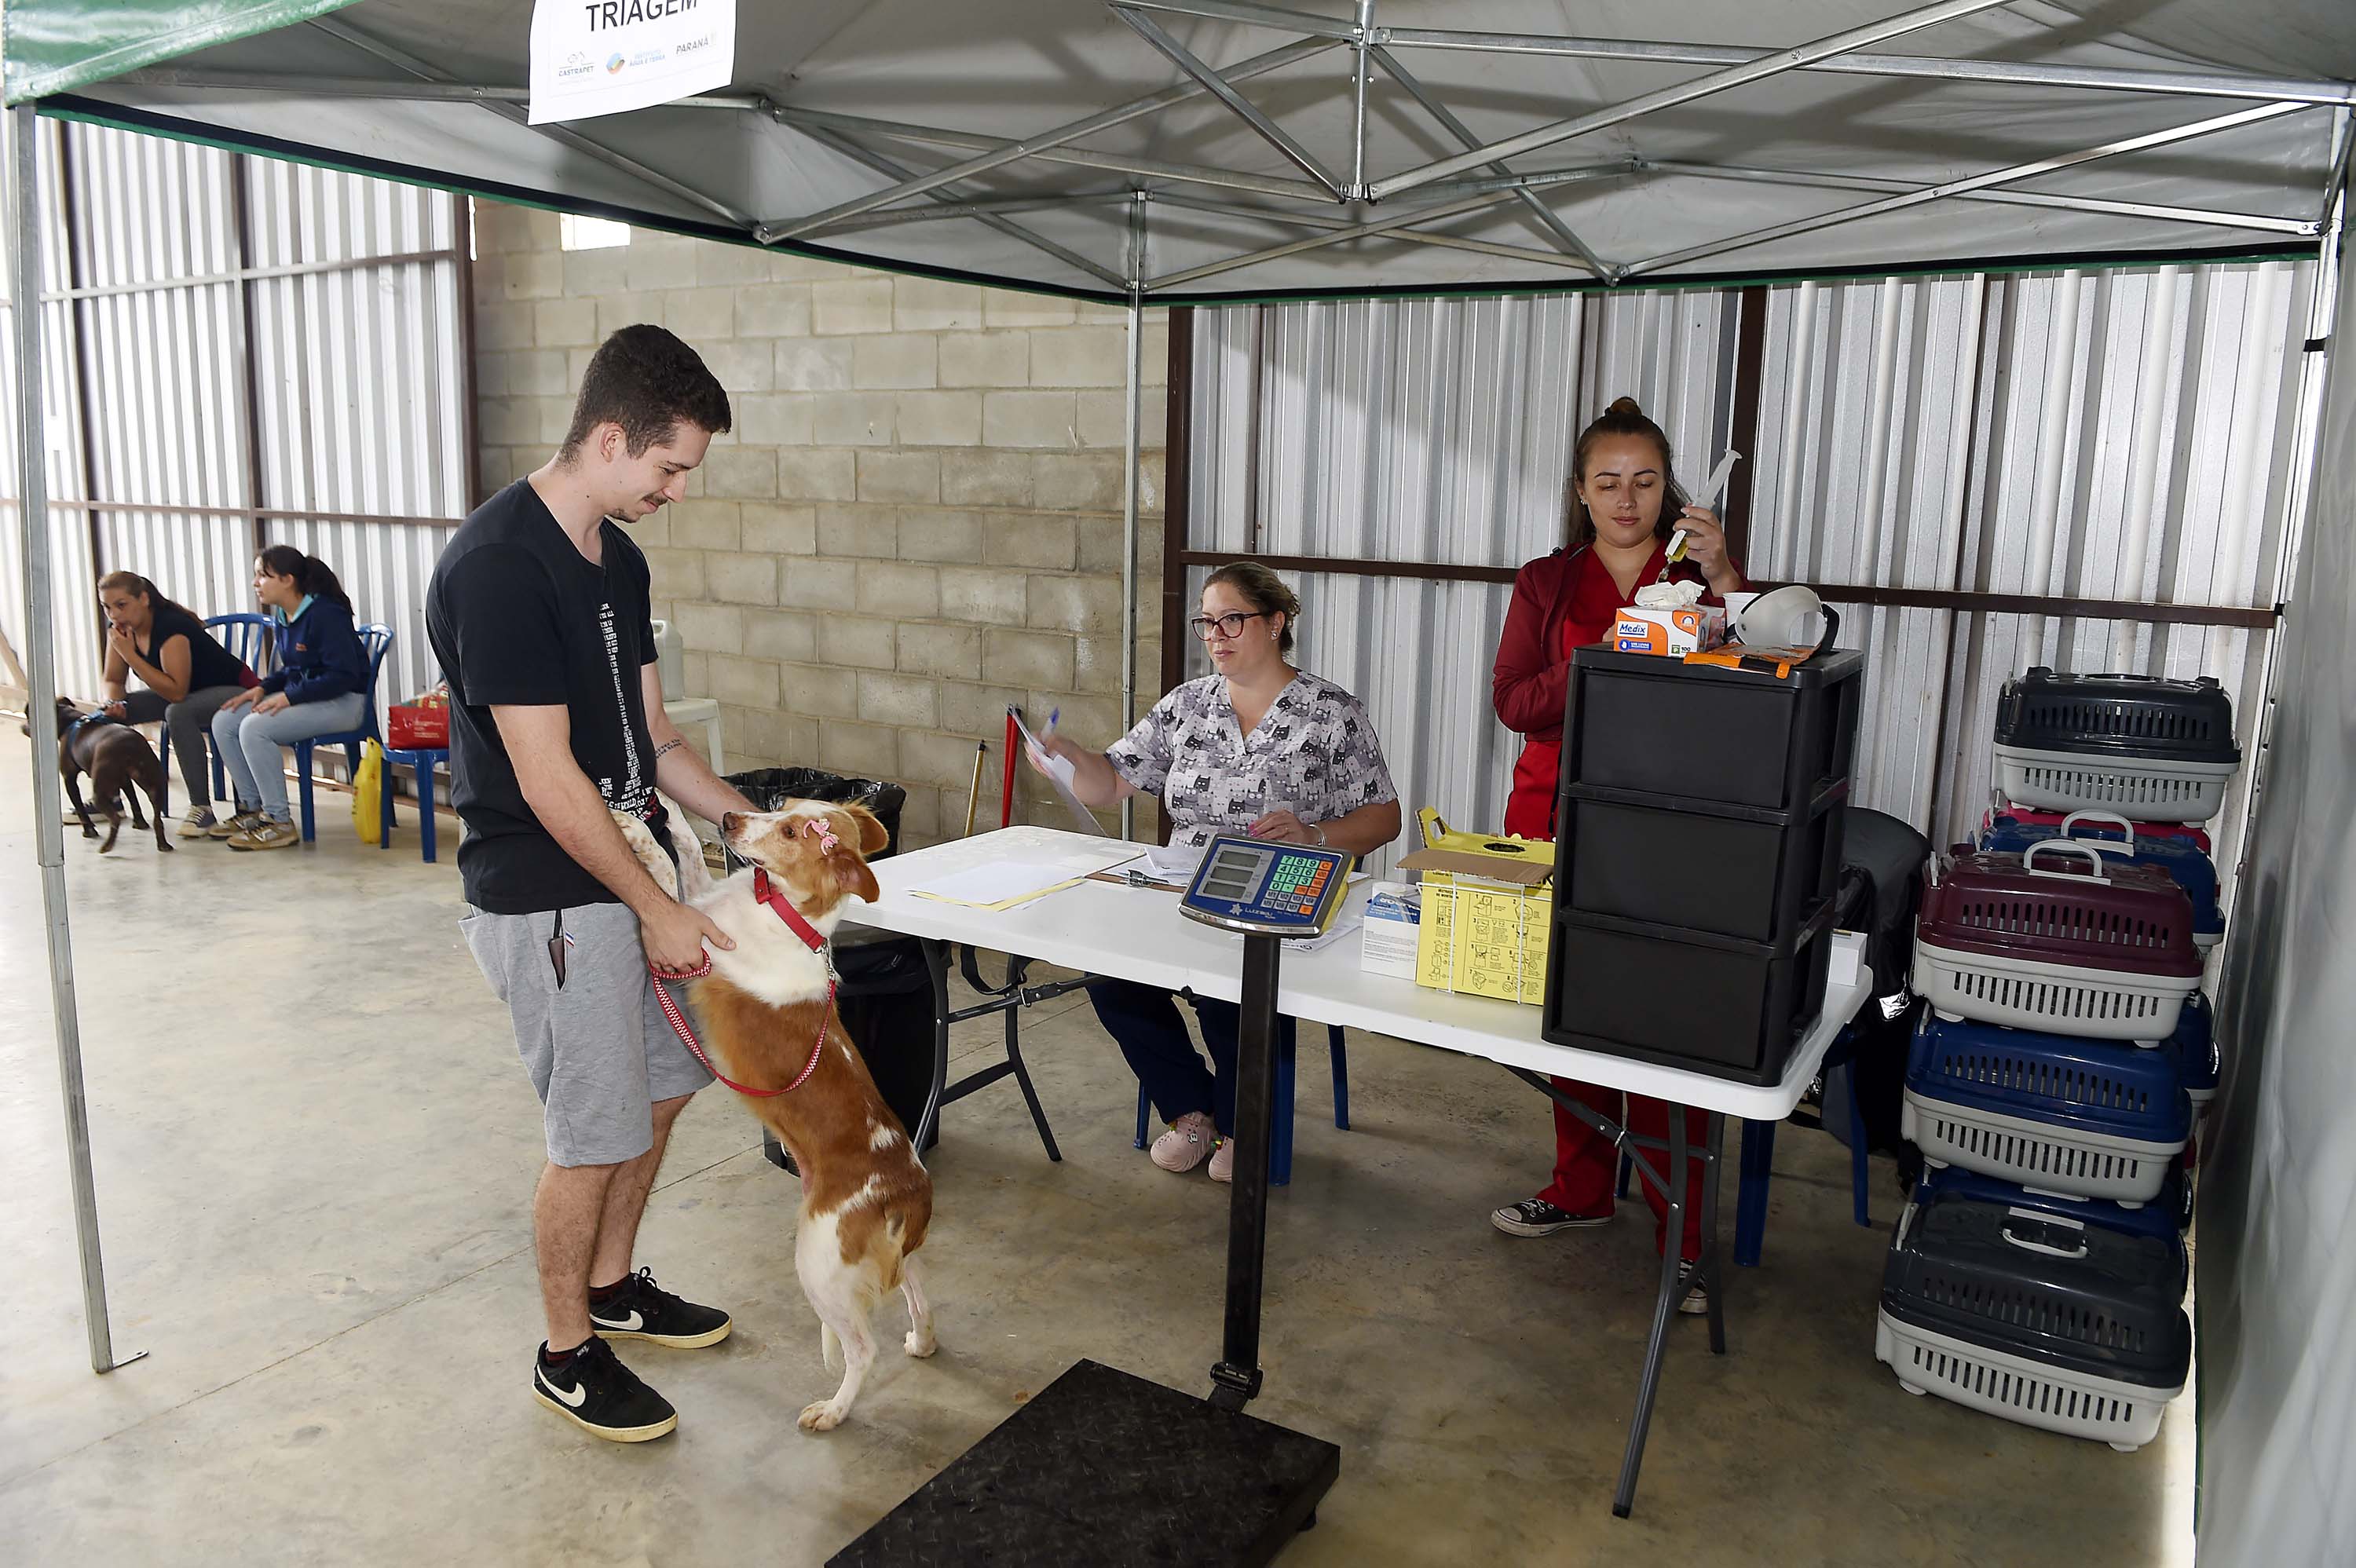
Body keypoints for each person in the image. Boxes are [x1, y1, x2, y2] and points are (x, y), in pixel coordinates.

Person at [428, 324, 759, 1445]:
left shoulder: (619, 557)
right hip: (549, 893)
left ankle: (616, 1285)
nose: (674, 491)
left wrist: (740, 817)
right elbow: (547, 775)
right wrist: (657, 907)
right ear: (610, 436)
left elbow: (651, 735)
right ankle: (567, 1351)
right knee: (594, 1128)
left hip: (631, 871)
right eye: (668, 469)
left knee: (661, 1093)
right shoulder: (498, 568)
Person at [1487, 396, 1749, 1316]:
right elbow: (1516, 700)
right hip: (1555, 815)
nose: (1627, 498)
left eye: (1645, 481)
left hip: (1673, 827)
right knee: (1574, 1009)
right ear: (1581, 492)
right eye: (1609, 482)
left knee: (1672, 1024)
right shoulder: (1546, 583)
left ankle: (1684, 1232)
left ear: (1668, 489)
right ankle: (1580, 1186)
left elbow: (1759, 687)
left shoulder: (1706, 581)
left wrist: (1721, 580)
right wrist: (1605, 650)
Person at [1030, 562, 1403, 1182]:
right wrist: (1071, 757)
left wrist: (1315, 834)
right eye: (1207, 622)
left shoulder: (1329, 712)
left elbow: (1384, 817)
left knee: (1227, 990)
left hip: (1278, 889)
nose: (1217, 634)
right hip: (1184, 885)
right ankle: (1191, 1109)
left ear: (1276, 621)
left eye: (1234, 619)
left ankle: (1243, 1122)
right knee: (1110, 979)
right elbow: (1114, 781)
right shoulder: (1187, 704)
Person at [208, 546, 370, 851]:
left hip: (346, 703)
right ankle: (250, 809)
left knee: (255, 728)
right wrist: (264, 687)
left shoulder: (325, 615)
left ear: (287, 580)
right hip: (312, 699)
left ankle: (279, 821)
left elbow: (343, 676)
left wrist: (290, 697)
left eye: (263, 576)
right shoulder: (286, 615)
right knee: (225, 722)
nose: (256, 583)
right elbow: (294, 669)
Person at [95, 569, 258, 838]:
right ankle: (109, 797)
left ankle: (201, 809)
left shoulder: (171, 628)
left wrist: (129, 654)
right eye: (107, 607)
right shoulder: (122, 632)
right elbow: (113, 678)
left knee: (178, 712)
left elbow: (177, 692)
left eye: (121, 605)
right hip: (188, 694)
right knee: (106, 715)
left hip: (234, 691)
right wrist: (113, 703)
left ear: (144, 599)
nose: (114, 614)